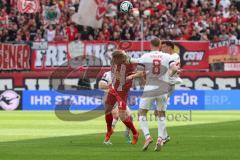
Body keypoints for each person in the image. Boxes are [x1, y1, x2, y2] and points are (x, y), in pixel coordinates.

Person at [127, 38, 178, 151]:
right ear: (160, 45)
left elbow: (140, 73)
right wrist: (169, 76)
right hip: (163, 88)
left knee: (142, 113)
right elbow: (174, 68)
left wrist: (131, 76)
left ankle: (148, 137)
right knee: (161, 114)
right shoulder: (167, 56)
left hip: (150, 87)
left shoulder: (145, 56)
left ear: (150, 45)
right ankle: (160, 138)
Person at [103, 50, 139, 145]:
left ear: (121, 58)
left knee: (122, 116)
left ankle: (135, 132)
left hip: (122, 91)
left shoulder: (129, 63)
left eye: (115, 59)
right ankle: (109, 130)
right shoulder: (114, 61)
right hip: (114, 88)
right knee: (107, 110)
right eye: (113, 59)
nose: (113, 61)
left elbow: (140, 72)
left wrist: (130, 77)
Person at [98, 71, 132, 144]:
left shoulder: (123, 74)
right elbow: (100, 85)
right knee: (116, 116)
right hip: (110, 98)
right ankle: (107, 139)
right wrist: (110, 87)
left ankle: (127, 133)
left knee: (129, 116)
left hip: (119, 98)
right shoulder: (108, 74)